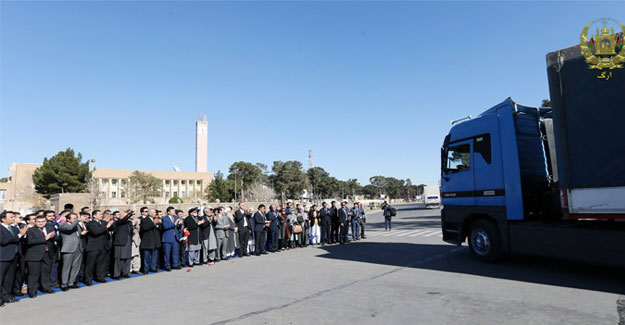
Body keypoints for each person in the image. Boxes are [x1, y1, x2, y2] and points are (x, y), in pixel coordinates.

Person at [25, 215, 56, 297]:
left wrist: (53, 236)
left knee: (46, 272)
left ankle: (46, 287)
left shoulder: (49, 228)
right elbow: (29, 241)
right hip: (34, 255)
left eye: (43, 221)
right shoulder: (30, 230)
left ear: (45, 222)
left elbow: (56, 238)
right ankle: (32, 291)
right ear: (35, 222)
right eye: (38, 222)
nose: (41, 223)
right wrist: (45, 238)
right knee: (34, 274)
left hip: (47, 253)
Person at [1, 211, 26, 306]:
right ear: (3, 219)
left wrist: (23, 234)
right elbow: (3, 241)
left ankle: (6, 296)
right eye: (11, 217)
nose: (13, 218)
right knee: (1, 278)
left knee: (9, 278)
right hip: (3, 257)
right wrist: (20, 235)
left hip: (14, 256)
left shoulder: (13, 228)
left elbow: (20, 240)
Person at [85, 210, 113, 285]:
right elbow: (96, 232)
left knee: (101, 263)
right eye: (99, 214)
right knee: (90, 264)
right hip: (93, 247)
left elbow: (111, 228)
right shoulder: (90, 223)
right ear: (94, 216)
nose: (101, 215)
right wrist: (107, 226)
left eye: (101, 214)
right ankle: (88, 279)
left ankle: (100, 277)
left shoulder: (103, 223)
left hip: (103, 246)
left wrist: (110, 221)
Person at [59, 212, 84, 291]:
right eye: (73, 218)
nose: (75, 220)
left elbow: (78, 234)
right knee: (66, 267)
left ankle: (71, 282)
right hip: (68, 248)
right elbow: (69, 229)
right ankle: (64, 284)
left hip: (78, 247)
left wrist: (82, 233)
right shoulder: (63, 225)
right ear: (68, 219)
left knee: (76, 266)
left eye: (76, 218)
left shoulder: (77, 226)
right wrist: (77, 220)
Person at [112, 210, 133, 278]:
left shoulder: (129, 222)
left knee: (127, 258)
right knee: (119, 258)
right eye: (124, 215)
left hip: (128, 241)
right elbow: (123, 220)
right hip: (120, 242)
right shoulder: (118, 222)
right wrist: (130, 212)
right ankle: (117, 274)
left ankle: (125, 272)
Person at [139, 209, 161, 274]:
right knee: (147, 256)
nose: (155, 213)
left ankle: (153, 267)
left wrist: (158, 224)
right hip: (148, 240)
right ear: (149, 213)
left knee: (155, 255)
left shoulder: (157, 219)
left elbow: (160, 228)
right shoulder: (144, 219)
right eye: (154, 212)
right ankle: (146, 269)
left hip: (155, 240)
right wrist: (154, 223)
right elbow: (144, 228)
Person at [43, 210, 61, 288]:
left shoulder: (56, 224)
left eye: (53, 215)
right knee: (48, 266)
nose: (52, 217)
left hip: (56, 247)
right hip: (48, 247)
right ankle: (48, 282)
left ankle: (54, 281)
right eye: (49, 216)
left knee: (55, 265)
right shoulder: (45, 225)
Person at [161, 206, 180, 271]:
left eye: (174, 211)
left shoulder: (176, 217)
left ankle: (175, 264)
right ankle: (167, 266)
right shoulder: (164, 218)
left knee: (175, 252)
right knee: (167, 253)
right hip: (167, 238)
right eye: (173, 211)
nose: (174, 212)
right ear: (168, 212)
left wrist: (179, 225)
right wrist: (175, 224)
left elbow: (177, 227)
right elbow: (166, 227)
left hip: (175, 238)